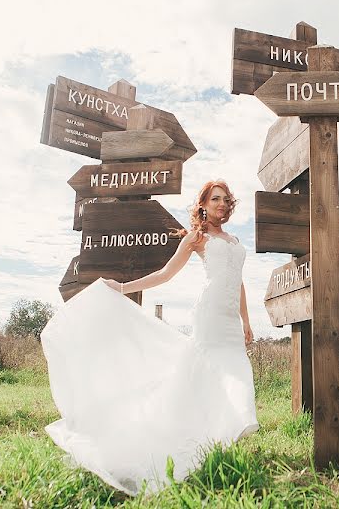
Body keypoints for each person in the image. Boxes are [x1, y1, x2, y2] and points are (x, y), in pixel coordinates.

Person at [41, 180, 258, 496]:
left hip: (229, 320)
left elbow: (238, 283)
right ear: (203, 206)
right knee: (218, 374)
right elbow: (166, 273)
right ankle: (216, 437)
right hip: (209, 315)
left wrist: (246, 321)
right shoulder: (197, 239)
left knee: (226, 373)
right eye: (215, 199)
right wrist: (124, 288)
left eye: (226, 199)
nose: (222, 204)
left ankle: (216, 439)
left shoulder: (235, 240)